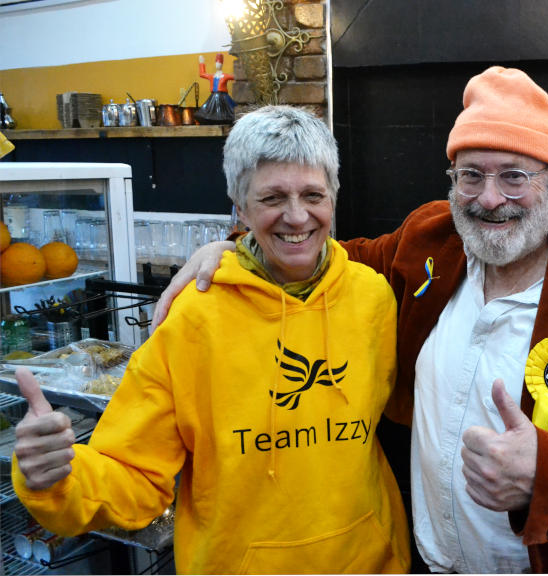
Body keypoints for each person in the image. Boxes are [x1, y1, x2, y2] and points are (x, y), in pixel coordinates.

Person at [152, 66, 548, 572]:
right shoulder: (431, 239)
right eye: (471, 175)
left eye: (513, 176)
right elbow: (321, 249)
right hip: (428, 560)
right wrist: (238, 246)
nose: (489, 199)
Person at [12, 106, 410, 574]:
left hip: (370, 561)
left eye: (313, 194)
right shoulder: (193, 317)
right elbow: (134, 473)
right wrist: (57, 478)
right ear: (239, 208)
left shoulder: (373, 299)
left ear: (334, 198)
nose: (297, 216)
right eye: (272, 198)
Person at [195, 53, 235, 124]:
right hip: (213, 96)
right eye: (216, 62)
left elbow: (235, 77)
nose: (217, 64)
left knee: (226, 111)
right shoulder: (212, 76)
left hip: (223, 97)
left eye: (219, 63)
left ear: (222, 64)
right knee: (209, 109)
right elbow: (202, 74)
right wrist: (201, 63)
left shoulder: (225, 76)